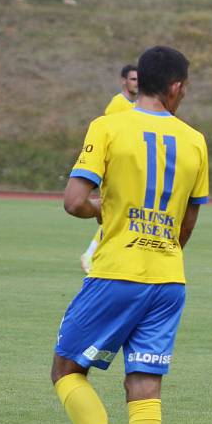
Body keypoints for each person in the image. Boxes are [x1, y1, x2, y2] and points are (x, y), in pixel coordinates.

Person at [51, 45, 209, 424]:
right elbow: (187, 223)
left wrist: (109, 209)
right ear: (177, 86)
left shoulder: (109, 126)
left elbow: (75, 201)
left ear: (139, 82)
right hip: (168, 278)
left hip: (117, 271)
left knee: (66, 369)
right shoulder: (196, 141)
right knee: (145, 390)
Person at [80, 64, 140, 273]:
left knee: (121, 213)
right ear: (124, 80)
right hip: (119, 168)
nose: (137, 83)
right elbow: (112, 135)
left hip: (132, 167)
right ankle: (91, 254)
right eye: (133, 79)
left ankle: (95, 254)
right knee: (115, 211)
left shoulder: (134, 105)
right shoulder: (118, 105)